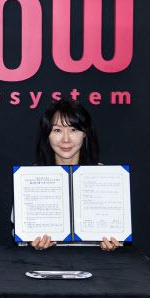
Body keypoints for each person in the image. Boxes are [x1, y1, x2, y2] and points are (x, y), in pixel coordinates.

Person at [28, 98, 119, 252]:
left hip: (96, 262)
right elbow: (20, 229)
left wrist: (114, 241)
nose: (66, 139)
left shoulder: (106, 178)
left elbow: (117, 226)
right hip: (45, 262)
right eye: (57, 130)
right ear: (47, 135)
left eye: (73, 130)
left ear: (85, 134)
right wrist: (30, 241)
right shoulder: (29, 179)